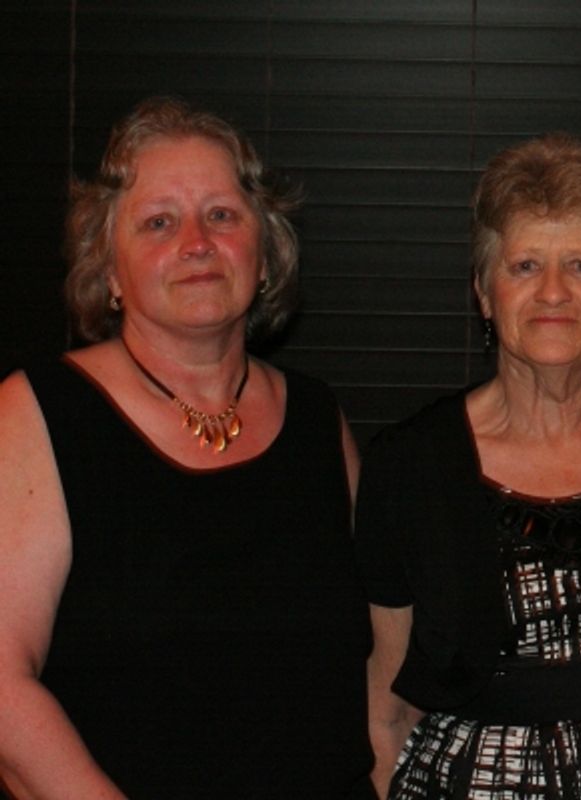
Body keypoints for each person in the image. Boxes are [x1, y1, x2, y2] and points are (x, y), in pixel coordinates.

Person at [0, 97, 374, 798]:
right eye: (159, 222)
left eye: (223, 215)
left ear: (264, 254)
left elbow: (374, 665)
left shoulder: (321, 421)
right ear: (108, 271)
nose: (197, 242)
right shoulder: (37, 413)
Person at [354, 133, 581, 799]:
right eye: (524, 266)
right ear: (484, 293)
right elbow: (386, 707)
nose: (553, 292)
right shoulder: (409, 466)